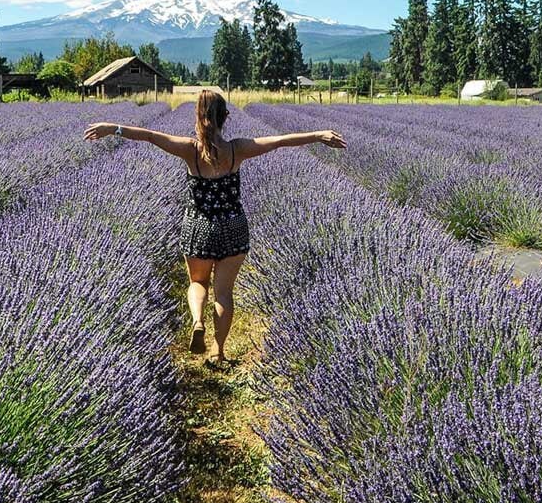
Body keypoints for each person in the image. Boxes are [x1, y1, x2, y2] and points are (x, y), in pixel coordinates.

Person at [83, 90, 346, 364]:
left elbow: (149, 136)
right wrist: (318, 135)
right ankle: (218, 351)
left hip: (199, 227)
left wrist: (112, 128)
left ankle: (198, 321)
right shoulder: (237, 149)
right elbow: (278, 142)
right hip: (233, 226)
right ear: (226, 118)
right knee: (224, 292)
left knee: (197, 282)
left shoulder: (189, 150)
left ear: (198, 117)